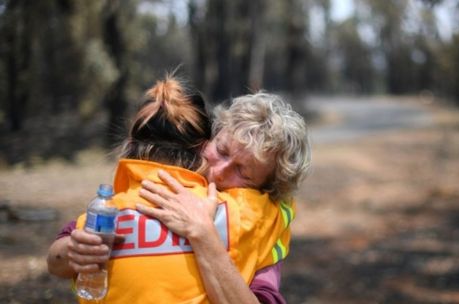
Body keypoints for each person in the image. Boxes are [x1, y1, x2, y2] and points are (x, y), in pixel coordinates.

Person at [46, 77, 310, 303]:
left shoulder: (260, 216)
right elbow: (58, 257)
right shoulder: (148, 189)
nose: (219, 171)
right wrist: (73, 250)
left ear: (264, 190)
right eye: (221, 150)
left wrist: (204, 235)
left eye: (243, 172)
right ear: (206, 139)